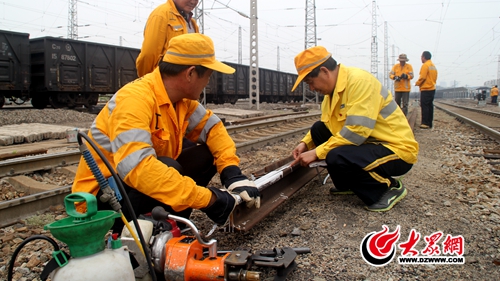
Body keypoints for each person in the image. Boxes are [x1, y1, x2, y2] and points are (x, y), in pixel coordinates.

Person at [73, 33, 260, 229]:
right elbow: (139, 170)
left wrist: (231, 172)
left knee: (205, 155)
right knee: (168, 165)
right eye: (208, 76)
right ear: (190, 74)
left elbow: (213, 129)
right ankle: (138, 232)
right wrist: (209, 200)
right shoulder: (135, 100)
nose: (208, 83)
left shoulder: (182, 102)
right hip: (102, 202)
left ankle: (170, 225)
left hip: (133, 188)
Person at [290, 46, 419, 212]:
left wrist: (316, 152)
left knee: (336, 155)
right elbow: (327, 123)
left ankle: (387, 188)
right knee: (318, 130)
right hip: (368, 145)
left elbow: (356, 132)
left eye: (310, 82)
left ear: (324, 71)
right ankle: (348, 184)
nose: (312, 89)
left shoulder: (359, 82)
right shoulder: (331, 96)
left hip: (395, 149)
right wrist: (306, 143)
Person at [135, 0, 206, 78]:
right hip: (163, 85)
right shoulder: (161, 15)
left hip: (183, 87)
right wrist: (148, 83)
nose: (193, 1)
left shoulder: (192, 24)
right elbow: (148, 55)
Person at [415, 51, 438, 129]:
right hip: (432, 88)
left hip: (426, 88)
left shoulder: (425, 65)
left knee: (424, 106)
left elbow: (423, 77)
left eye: (421, 57)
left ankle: (425, 123)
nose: (421, 58)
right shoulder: (433, 66)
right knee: (430, 106)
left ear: (424, 57)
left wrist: (417, 83)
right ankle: (429, 123)